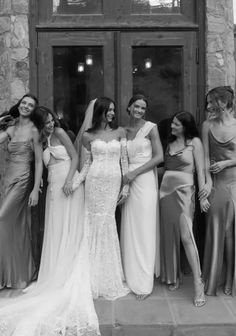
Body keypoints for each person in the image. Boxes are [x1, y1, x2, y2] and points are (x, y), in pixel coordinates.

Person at [0, 106, 100, 336]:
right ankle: (54, 271)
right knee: (56, 229)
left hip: (69, 184)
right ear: (38, 124)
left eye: (52, 120)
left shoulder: (61, 134)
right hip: (54, 188)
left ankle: (67, 269)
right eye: (46, 122)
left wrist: (69, 181)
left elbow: (74, 157)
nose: (51, 124)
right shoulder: (40, 139)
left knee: (70, 227)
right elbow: (37, 164)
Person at [74, 97, 130, 300]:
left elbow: (124, 161)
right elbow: (88, 163)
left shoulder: (120, 132)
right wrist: (75, 182)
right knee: (93, 222)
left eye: (114, 110)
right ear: (100, 112)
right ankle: (91, 275)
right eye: (109, 110)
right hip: (94, 181)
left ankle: (108, 275)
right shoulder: (87, 136)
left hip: (113, 183)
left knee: (107, 221)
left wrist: (126, 185)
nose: (112, 113)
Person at [160, 111, 209, 307]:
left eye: (176, 125)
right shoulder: (169, 144)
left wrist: (203, 194)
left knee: (187, 236)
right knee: (169, 235)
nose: (172, 127)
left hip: (185, 193)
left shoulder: (194, 142)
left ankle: (198, 283)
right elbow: (165, 168)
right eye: (172, 123)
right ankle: (174, 276)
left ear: (186, 127)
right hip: (165, 194)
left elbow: (201, 169)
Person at [120, 94, 163, 300]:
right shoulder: (123, 131)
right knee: (130, 229)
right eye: (136, 106)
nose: (139, 110)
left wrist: (134, 173)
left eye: (143, 108)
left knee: (144, 230)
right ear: (129, 108)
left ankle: (144, 284)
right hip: (127, 182)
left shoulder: (150, 128)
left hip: (144, 182)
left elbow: (159, 157)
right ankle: (130, 276)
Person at [0, 93, 42, 289]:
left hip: (23, 179)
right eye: (24, 103)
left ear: (33, 110)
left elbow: (40, 162)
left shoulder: (34, 130)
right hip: (8, 178)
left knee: (2, 218)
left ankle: (16, 273)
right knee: (14, 226)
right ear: (19, 105)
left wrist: (35, 189)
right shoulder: (11, 128)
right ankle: (15, 275)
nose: (26, 106)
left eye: (30, 105)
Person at [201, 86, 236, 296]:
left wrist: (227, 163)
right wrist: (206, 182)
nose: (207, 106)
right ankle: (214, 276)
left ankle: (230, 278)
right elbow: (205, 157)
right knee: (216, 230)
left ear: (222, 103)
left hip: (234, 182)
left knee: (230, 232)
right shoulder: (206, 126)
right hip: (216, 184)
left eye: (211, 102)